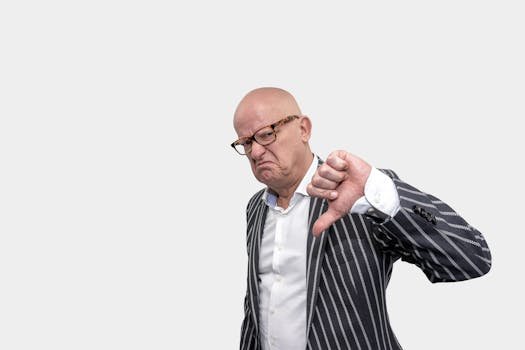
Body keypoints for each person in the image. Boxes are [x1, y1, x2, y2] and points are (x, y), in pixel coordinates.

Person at [231, 87, 491, 350]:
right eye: (246, 143)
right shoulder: (256, 207)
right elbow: (259, 306)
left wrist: (382, 196)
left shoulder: (359, 194)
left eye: (265, 135)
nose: (255, 153)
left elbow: (471, 260)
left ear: (304, 129)